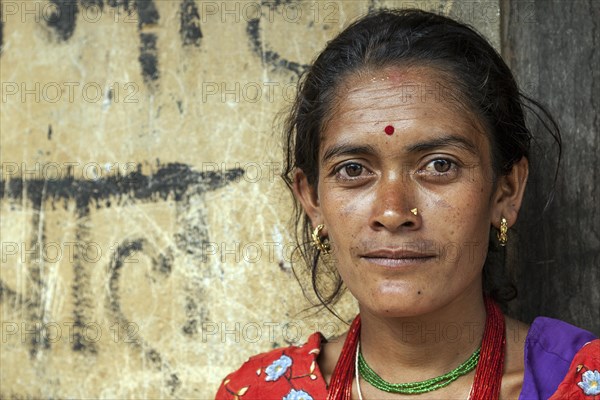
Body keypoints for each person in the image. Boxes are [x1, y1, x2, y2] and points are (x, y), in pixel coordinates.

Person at [215, 9, 598, 400]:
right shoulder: (259, 391)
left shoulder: (580, 385)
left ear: (506, 191)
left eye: (439, 165)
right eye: (352, 170)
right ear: (313, 200)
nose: (393, 212)